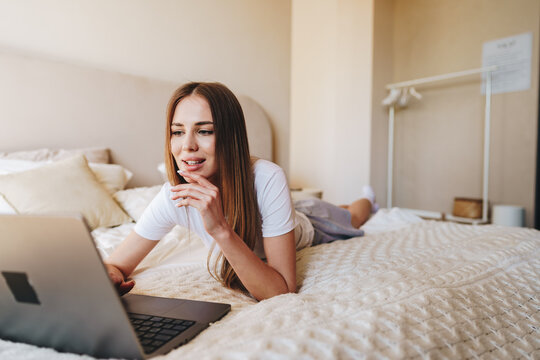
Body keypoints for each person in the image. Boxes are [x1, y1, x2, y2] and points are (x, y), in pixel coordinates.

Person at [105, 82, 377, 301]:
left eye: (204, 131)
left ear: (229, 136)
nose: (187, 145)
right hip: (284, 216)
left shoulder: (267, 178)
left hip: (309, 223)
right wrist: (109, 276)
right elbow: (117, 265)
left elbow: (281, 290)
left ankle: (368, 198)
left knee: (351, 215)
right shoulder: (173, 197)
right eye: (177, 132)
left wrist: (221, 229)